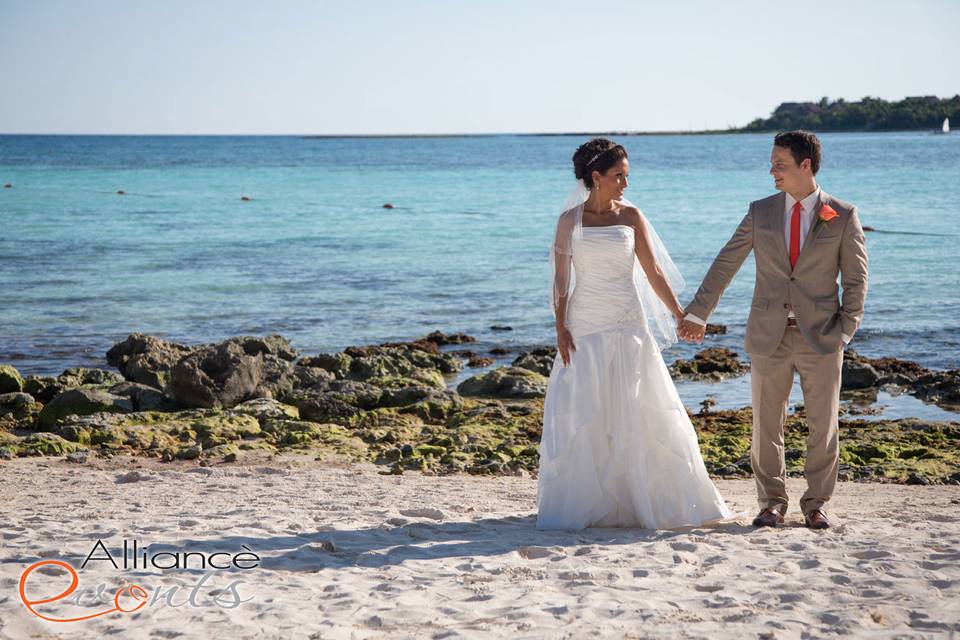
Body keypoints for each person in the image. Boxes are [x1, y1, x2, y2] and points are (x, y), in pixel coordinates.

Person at [536, 138, 734, 530]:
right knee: (586, 406)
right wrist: (560, 327)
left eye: (626, 175)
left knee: (638, 403)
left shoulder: (631, 216)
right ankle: (592, 502)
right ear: (596, 177)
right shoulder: (569, 221)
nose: (625, 183)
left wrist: (680, 313)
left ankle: (643, 498)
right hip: (586, 321)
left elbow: (653, 272)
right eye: (618, 176)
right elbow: (561, 282)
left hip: (628, 321)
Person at [677, 130, 869, 530]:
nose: (771, 171)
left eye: (779, 164)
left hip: (823, 336)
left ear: (805, 165)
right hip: (769, 334)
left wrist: (846, 330)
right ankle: (771, 503)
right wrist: (698, 313)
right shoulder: (760, 211)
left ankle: (816, 504)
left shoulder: (843, 214)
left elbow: (856, 279)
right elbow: (726, 261)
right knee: (766, 424)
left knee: (823, 424)